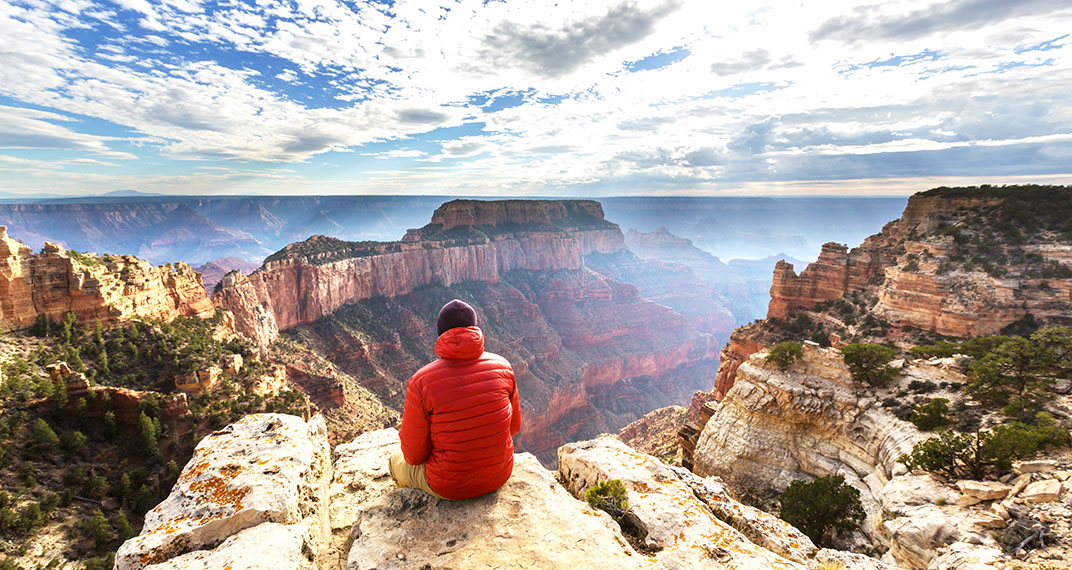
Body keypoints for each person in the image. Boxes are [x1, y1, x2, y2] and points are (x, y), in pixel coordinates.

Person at [390, 299, 521, 500]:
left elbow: (414, 456)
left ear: (440, 333)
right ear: (475, 329)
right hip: (499, 475)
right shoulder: (503, 367)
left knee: (395, 461)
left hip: (449, 487)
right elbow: (513, 428)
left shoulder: (420, 382)